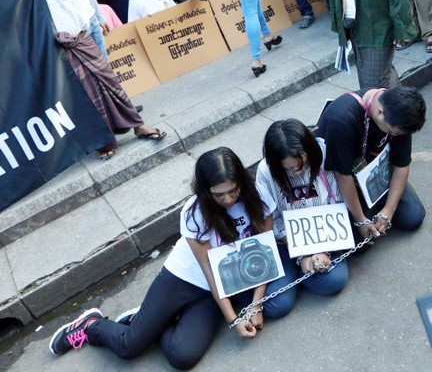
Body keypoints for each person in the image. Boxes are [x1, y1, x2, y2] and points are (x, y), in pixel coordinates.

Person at [47, 148, 279, 368]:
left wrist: (256, 305)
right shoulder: (195, 213)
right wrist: (233, 320)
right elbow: (209, 269)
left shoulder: (258, 197)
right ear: (205, 190)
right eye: (219, 195)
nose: (228, 199)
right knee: (129, 346)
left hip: (218, 289)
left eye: (233, 190)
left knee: (183, 357)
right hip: (184, 278)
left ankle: (152, 318)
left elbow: (263, 253)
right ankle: (91, 325)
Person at [0, 0, 164, 159]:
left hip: (78, 31)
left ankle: (137, 125)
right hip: (48, 49)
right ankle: (103, 140)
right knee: (80, 97)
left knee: (108, 81)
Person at [254, 120, 349, 317]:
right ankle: (301, 271)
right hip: (288, 241)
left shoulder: (323, 153)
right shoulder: (265, 171)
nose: (296, 172)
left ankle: (302, 274)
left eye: (300, 165)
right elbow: (274, 220)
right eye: (287, 169)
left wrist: (323, 250)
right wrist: (302, 255)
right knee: (278, 305)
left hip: (327, 234)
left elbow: (336, 201)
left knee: (335, 280)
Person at [315, 86, 427, 240]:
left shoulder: (400, 115)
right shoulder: (341, 120)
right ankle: (366, 213)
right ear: (380, 112)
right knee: (358, 240)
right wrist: (360, 219)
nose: (395, 136)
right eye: (393, 132)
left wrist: (388, 210)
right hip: (347, 181)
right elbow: (342, 175)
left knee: (413, 218)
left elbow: (402, 165)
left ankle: (378, 209)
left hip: (380, 175)